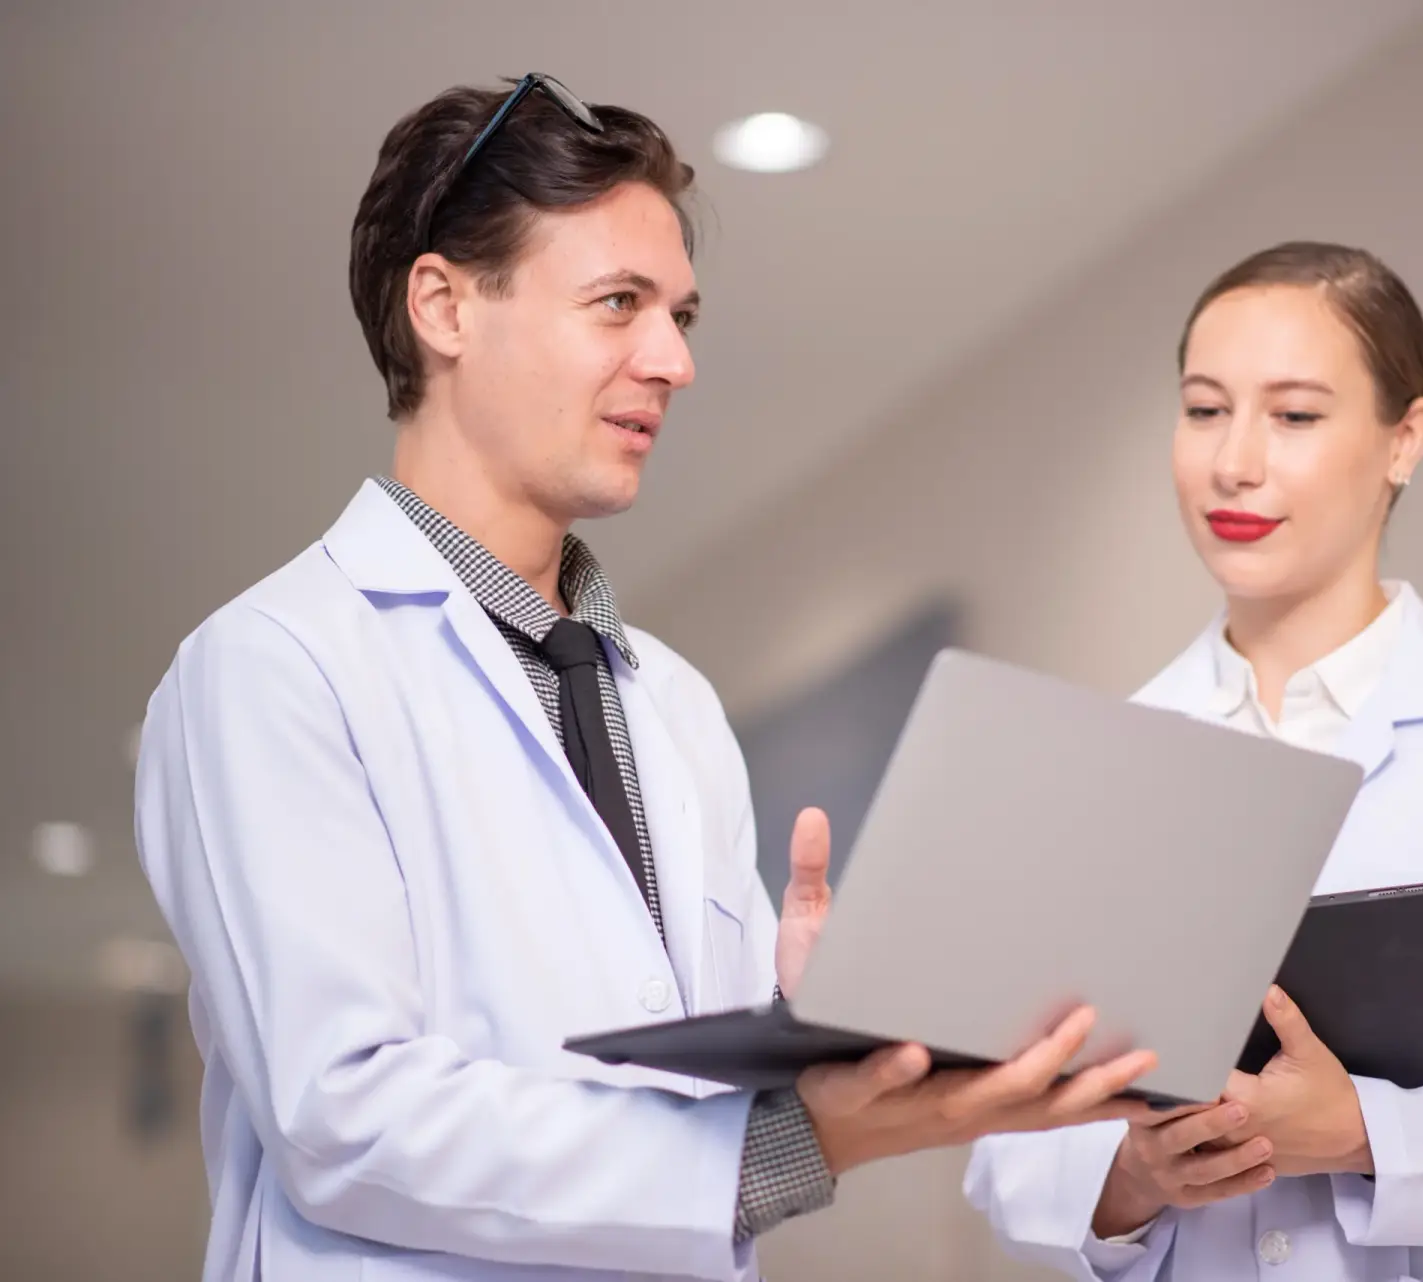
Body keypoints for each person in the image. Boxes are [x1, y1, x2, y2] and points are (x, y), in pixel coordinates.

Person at [133, 74, 1155, 1282]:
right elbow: (345, 1117)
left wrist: (813, 1034)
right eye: (619, 303)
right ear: (444, 306)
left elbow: (670, 1089)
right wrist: (795, 1138)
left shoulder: (668, 703)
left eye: (681, 315)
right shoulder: (274, 667)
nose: (672, 360)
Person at [963, 242, 1423, 1281]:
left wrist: (1368, 1130)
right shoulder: (1101, 767)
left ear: (1404, 440)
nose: (1235, 461)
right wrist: (1136, 1173)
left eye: (1295, 415)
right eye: (1203, 409)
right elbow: (1007, 1153)